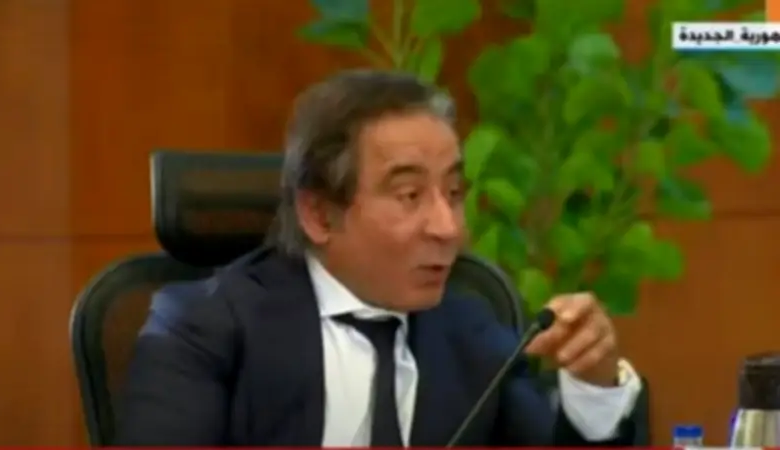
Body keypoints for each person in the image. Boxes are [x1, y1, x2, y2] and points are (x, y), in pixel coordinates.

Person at [117, 70, 643, 446]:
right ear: (319, 214)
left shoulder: (472, 335)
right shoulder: (204, 330)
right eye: (409, 195)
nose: (448, 228)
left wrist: (594, 385)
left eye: (454, 193)